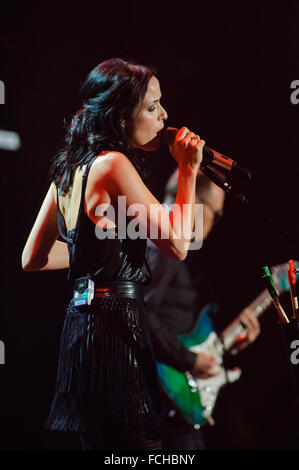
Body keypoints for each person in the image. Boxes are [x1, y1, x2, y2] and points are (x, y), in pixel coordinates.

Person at [21, 57, 207, 450]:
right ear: (121, 115)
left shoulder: (71, 170)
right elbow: (177, 244)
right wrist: (189, 172)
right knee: (136, 446)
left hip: (81, 331)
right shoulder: (113, 165)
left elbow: (32, 258)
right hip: (116, 329)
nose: (165, 116)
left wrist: (93, 255)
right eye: (152, 107)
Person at [144, 168, 261, 450]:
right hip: (166, 389)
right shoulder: (166, 242)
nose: (216, 221)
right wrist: (189, 360)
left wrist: (225, 346)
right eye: (216, 212)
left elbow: (176, 321)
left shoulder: (172, 243)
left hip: (176, 389)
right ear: (196, 202)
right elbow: (140, 311)